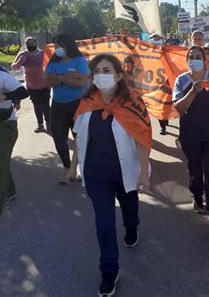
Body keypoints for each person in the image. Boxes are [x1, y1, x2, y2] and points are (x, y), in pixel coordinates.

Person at [73, 54, 152, 297]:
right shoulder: (87, 103)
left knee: (129, 210)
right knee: (104, 224)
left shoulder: (133, 104)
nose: (100, 75)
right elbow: (78, 137)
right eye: (96, 71)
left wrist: (143, 174)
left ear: (118, 76)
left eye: (106, 70)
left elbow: (142, 140)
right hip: (97, 175)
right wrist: (72, 166)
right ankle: (109, 271)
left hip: (125, 171)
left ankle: (132, 227)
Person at [173, 46, 209, 232]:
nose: (195, 59)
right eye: (191, 57)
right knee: (196, 171)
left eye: (198, 57)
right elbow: (179, 108)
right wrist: (192, 92)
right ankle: (197, 196)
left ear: (205, 60)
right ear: (187, 60)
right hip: (191, 136)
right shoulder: (181, 80)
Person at [44, 34, 89, 184]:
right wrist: (68, 77)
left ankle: (82, 168)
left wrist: (59, 77)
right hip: (58, 105)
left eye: (59, 45)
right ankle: (68, 168)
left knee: (80, 139)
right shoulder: (54, 61)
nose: (56, 49)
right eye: (55, 45)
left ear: (68, 45)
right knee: (59, 140)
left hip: (77, 105)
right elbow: (46, 82)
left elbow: (81, 83)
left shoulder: (80, 61)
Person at [0, 51, 29, 223]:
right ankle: (10, 190)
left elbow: (23, 92)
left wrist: (5, 96)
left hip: (4, 125)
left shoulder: (1, 75)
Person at [12, 37, 51, 133]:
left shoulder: (43, 53)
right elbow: (14, 67)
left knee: (46, 105)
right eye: (28, 43)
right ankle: (40, 125)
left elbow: (51, 65)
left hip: (44, 85)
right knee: (37, 106)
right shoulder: (23, 54)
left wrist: (50, 81)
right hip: (31, 86)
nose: (30, 44)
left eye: (32, 42)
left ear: (36, 43)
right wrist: (20, 61)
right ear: (26, 45)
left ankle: (49, 124)